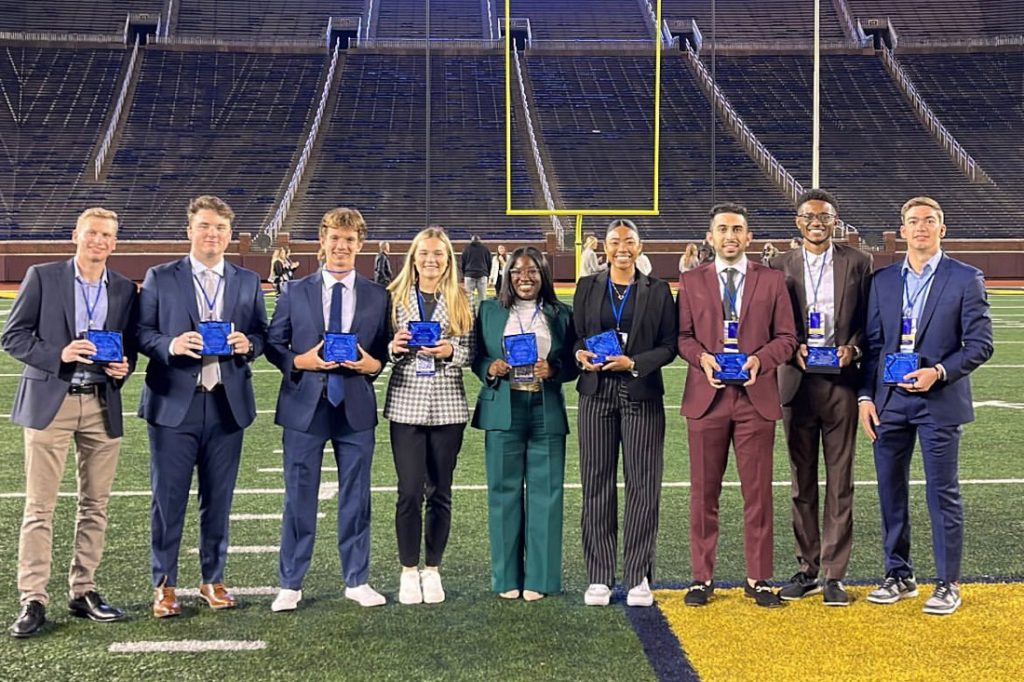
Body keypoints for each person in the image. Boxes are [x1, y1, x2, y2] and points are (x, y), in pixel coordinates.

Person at [2, 207, 138, 638]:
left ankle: (83, 590)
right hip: (52, 402)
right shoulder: (44, 277)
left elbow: (127, 347)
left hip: (100, 401)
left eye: (107, 236)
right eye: (92, 233)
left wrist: (125, 367)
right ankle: (33, 598)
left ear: (115, 243)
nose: (99, 241)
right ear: (75, 235)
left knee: (94, 505)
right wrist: (57, 354)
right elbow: (14, 335)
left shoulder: (122, 288)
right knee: (40, 507)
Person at [858, 196, 993, 616]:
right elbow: (874, 346)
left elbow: (981, 344)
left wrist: (939, 371)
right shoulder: (882, 281)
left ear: (942, 228)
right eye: (913, 221)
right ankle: (899, 574)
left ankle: (948, 582)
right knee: (890, 491)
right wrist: (866, 396)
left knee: (942, 492)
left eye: (929, 221)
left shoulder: (965, 278)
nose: (920, 227)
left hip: (939, 399)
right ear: (901, 230)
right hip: (891, 400)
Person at [137, 195, 268, 618]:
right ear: (189, 230)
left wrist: (250, 345)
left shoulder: (247, 280)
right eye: (205, 226)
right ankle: (165, 584)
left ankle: (213, 579)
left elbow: (262, 335)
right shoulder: (161, 276)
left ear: (230, 236)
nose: (212, 235)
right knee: (168, 498)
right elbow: (140, 332)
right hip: (175, 402)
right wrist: (170, 345)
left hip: (227, 403)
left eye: (221, 229)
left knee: (219, 498)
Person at [265, 208, 390, 611]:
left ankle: (357, 578)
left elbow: (386, 350)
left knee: (357, 496)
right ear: (322, 241)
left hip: (354, 402)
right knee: (298, 495)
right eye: (335, 238)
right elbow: (274, 343)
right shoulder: (295, 291)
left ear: (360, 245)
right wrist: (301, 362)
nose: (341, 246)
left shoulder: (377, 294)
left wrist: (371, 365)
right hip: (305, 404)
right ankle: (291, 581)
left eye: (350, 240)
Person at [676, 202, 797, 608]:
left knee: (758, 493)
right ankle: (701, 577)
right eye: (723, 228)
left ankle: (758, 578)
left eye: (738, 229)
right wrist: (702, 359)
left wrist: (759, 361)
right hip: (707, 398)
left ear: (749, 237)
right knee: (703, 493)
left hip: (754, 397)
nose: (730, 235)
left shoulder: (773, 280)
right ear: (709, 237)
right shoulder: (691, 280)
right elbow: (684, 337)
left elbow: (786, 337)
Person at [768, 189, 873, 606]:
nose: (817, 221)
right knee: (802, 482)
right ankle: (808, 566)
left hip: (842, 382)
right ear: (798, 221)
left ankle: (834, 574)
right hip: (797, 380)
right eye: (809, 215)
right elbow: (774, 322)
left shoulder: (858, 262)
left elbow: (871, 319)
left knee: (841, 480)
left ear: (835, 221)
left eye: (825, 216)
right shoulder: (778, 265)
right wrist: (791, 347)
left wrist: (856, 348)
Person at [573, 218, 677, 608]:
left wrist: (633, 361)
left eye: (628, 241)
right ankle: (599, 576)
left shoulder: (659, 290)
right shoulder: (587, 286)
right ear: (605, 248)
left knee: (642, 486)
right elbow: (576, 338)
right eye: (614, 241)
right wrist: (580, 353)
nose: (621, 247)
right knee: (596, 484)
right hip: (596, 393)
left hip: (641, 392)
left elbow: (669, 345)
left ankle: (638, 577)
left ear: (639, 246)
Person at [472, 246, 578, 601]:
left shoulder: (561, 313)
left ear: (543, 275)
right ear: (507, 274)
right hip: (504, 407)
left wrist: (555, 369)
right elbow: (476, 356)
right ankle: (506, 579)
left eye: (532, 271)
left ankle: (541, 578)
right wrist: (490, 367)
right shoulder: (488, 310)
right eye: (517, 271)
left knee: (546, 494)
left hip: (545, 406)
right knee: (503, 494)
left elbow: (572, 362)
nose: (524, 277)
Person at [385, 226, 475, 605]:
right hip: (406, 403)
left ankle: (433, 568)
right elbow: (380, 348)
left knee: (440, 492)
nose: (431, 259)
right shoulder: (394, 297)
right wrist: (394, 346)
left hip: (447, 406)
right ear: (413, 256)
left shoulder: (462, 297)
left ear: (448, 258)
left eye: (439, 253)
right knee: (409, 492)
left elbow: (470, 354)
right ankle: (408, 569)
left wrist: (448, 352)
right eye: (424, 252)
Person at [461, 234, 492, 309]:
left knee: (468, 299)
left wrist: (464, 273)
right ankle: (482, 316)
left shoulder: (466, 249)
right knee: (482, 299)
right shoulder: (485, 249)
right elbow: (489, 262)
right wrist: (487, 273)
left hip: (469, 274)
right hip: (482, 274)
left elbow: (463, 262)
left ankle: (469, 316)